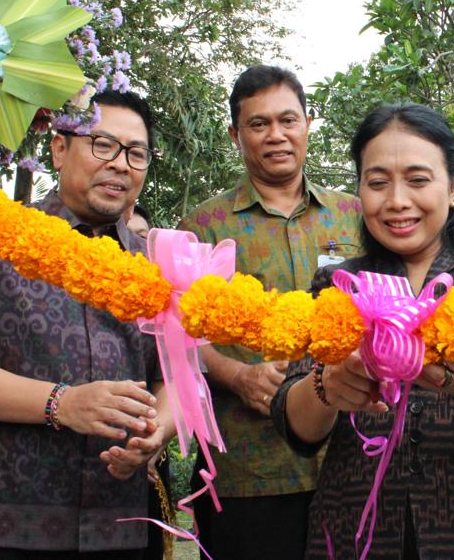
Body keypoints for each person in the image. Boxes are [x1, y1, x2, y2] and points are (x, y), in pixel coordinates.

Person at [272, 103, 454, 558]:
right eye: (378, 182)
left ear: (453, 189)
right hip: (357, 531)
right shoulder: (339, 283)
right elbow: (296, 426)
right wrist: (327, 385)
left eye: (418, 179)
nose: (397, 201)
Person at [0, 90, 173, 559]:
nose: (121, 164)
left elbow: (172, 381)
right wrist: (60, 403)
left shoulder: (156, 266)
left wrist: (157, 431)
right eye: (103, 144)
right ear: (59, 148)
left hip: (118, 527)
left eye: (136, 153)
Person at [177, 65, 362, 559]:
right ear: (236, 135)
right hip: (248, 471)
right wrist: (237, 375)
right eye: (258, 124)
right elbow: (178, 334)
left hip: (352, 460)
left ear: (308, 123)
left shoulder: (356, 215)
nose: (276, 135)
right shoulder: (204, 225)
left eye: (288, 120)